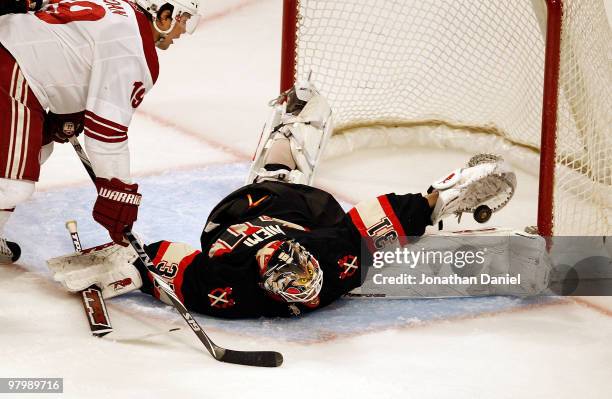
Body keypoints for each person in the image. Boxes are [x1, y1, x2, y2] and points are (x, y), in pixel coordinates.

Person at [48, 82, 519, 318]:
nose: (313, 296)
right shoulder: (256, 283)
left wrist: (129, 267)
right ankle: (287, 144)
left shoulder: (238, 287)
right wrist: (126, 268)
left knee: (292, 190)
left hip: (269, 219)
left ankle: (288, 137)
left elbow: (168, 264)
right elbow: (162, 264)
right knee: (306, 203)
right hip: (271, 215)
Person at [0, 0, 201, 263]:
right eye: (183, 20)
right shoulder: (134, 49)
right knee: (11, 184)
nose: (183, 30)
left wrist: (67, 107)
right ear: (163, 15)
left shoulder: (120, 10)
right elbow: (106, 135)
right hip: (10, 68)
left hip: (11, 51)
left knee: (35, 151)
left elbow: (66, 48)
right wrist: (119, 195)